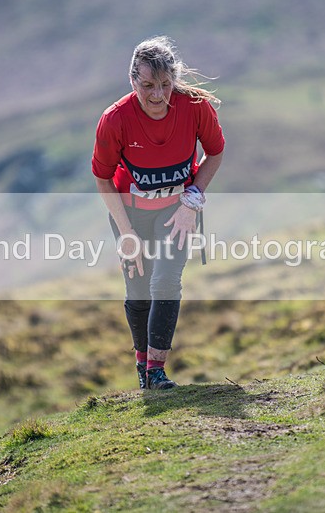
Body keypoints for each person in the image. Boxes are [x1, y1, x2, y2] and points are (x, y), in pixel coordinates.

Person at [91, 36, 225, 390]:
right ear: (133, 81)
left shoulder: (195, 107)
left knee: (165, 281)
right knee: (139, 292)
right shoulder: (115, 119)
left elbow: (215, 153)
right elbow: (103, 179)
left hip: (177, 212)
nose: (157, 95)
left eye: (166, 85)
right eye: (148, 85)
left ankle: (156, 371)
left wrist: (192, 199)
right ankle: (142, 365)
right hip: (130, 215)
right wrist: (127, 235)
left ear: (175, 79)